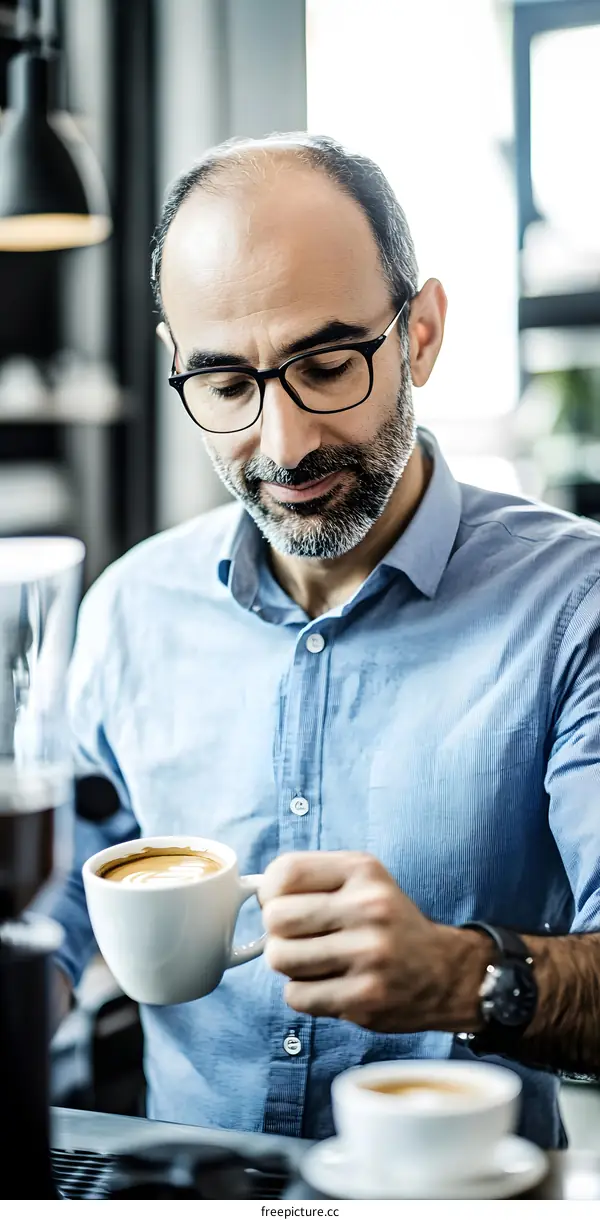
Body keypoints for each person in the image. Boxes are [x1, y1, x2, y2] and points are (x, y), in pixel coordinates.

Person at [51, 133, 600, 1149]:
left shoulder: (577, 604)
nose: (285, 443)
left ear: (422, 333)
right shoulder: (129, 611)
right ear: (178, 368)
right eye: (225, 385)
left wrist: (464, 975)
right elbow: (55, 919)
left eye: (329, 364)